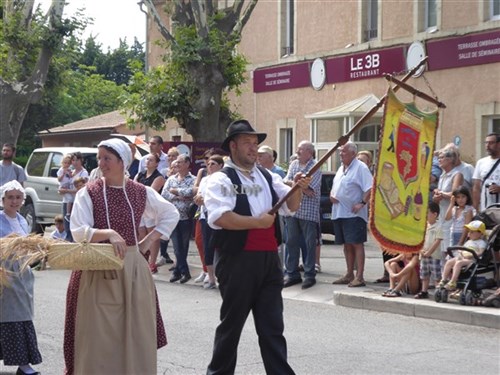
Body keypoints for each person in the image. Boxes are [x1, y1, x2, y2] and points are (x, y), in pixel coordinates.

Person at [63, 138, 179, 374]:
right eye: (99, 158)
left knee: (135, 331)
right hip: (96, 268)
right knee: (98, 335)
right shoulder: (90, 192)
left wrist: (147, 241)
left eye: (107, 158)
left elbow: (170, 213)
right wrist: (108, 233)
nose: (101, 163)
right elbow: (77, 230)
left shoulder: (139, 192)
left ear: (122, 162)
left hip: (132, 271)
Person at [204, 119, 308, 375]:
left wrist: (299, 188)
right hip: (237, 260)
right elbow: (220, 218)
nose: (253, 148)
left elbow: (291, 206)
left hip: (269, 260)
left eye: (255, 143)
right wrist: (257, 222)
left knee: (273, 326)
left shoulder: (267, 176)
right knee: (231, 327)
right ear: (233, 146)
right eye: (247, 143)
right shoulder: (219, 179)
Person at [0, 180, 42, 375]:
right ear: (3, 199)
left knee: (22, 315)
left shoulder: (23, 220)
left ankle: (24, 364)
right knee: (8, 315)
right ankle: (23, 364)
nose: (14, 201)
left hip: (22, 273)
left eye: (18, 197)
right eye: (10, 197)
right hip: (4, 274)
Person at [331, 141, 373, 287]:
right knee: (347, 244)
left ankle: (359, 276)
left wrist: (361, 202)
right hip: (339, 212)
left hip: (354, 214)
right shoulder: (341, 168)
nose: (341, 154)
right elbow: (336, 186)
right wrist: (332, 194)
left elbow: (370, 188)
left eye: (344, 152)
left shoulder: (361, 168)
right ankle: (349, 274)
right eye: (340, 151)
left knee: (356, 244)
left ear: (353, 154)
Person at [283, 140, 321, 289]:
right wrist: (299, 185)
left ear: (309, 153)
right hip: (292, 210)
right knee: (291, 242)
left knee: (309, 244)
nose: (297, 152)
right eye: (297, 150)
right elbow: (286, 181)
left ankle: (309, 274)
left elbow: (312, 188)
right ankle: (291, 273)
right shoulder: (294, 165)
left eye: (301, 150)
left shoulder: (316, 166)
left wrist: (298, 185)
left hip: (308, 212)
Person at [161, 154, 195, 283]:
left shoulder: (193, 179)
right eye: (176, 163)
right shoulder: (171, 179)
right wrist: (178, 196)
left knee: (184, 246)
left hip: (186, 217)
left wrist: (176, 191)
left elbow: (192, 192)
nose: (177, 164)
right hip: (173, 217)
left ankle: (177, 272)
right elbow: (164, 194)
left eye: (180, 162)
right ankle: (184, 272)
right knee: (176, 246)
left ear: (187, 164)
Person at [194, 154, 225, 289]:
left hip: (220, 216)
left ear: (220, 166)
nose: (210, 166)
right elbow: (199, 195)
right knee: (208, 247)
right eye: (208, 164)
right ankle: (211, 277)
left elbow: (222, 198)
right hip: (205, 215)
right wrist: (199, 199)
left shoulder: (224, 180)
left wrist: (205, 199)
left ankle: (221, 276)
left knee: (221, 246)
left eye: (213, 164)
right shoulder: (205, 180)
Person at [135, 153, 166, 273]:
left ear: (157, 163)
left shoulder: (159, 177)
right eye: (147, 159)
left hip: (151, 208)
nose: (148, 161)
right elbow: (133, 187)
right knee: (141, 233)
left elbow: (150, 192)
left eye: (151, 160)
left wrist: (138, 192)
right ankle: (143, 259)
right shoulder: (140, 174)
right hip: (139, 207)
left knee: (152, 234)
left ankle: (152, 262)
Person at [433, 148, 464, 267]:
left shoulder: (457, 174)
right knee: (441, 245)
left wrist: (441, 194)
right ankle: (443, 274)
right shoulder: (442, 175)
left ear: (450, 159)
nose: (439, 160)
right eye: (438, 158)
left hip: (452, 215)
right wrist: (437, 194)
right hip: (442, 214)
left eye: (442, 158)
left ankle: (450, 274)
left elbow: (455, 193)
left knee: (448, 245)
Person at [438, 220, 487, 291]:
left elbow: (481, 252)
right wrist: (460, 251)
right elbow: (463, 249)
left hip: (471, 260)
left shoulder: (481, 242)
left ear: (480, 234)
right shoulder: (468, 242)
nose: (469, 234)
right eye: (469, 232)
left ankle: (453, 282)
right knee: (449, 262)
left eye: (472, 232)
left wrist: (471, 255)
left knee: (458, 263)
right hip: (462, 257)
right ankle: (443, 279)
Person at [156, 147, 180, 267]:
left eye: (173, 156)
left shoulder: (180, 172)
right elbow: (164, 191)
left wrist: (177, 193)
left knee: (176, 237)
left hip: (178, 208)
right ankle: (163, 255)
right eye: (169, 156)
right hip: (164, 203)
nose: (170, 158)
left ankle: (178, 260)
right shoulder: (164, 171)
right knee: (164, 232)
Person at [414, 202, 443, 299]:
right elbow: (420, 239)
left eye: (427, 213)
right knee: (424, 274)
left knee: (436, 274)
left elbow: (437, 241)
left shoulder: (438, 226)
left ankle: (438, 291)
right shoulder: (424, 226)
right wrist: (421, 250)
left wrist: (429, 252)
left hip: (434, 255)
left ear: (435, 214)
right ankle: (424, 291)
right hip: (423, 254)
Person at [58, 152, 89, 242]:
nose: (75, 162)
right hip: (66, 201)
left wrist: (67, 191)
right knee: (66, 226)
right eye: (73, 160)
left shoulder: (84, 173)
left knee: (74, 227)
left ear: (81, 160)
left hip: (77, 202)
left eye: (77, 160)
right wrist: (62, 190)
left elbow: (82, 189)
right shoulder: (71, 172)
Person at [472, 133, 500, 212]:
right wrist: (475, 208)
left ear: (498, 144)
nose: (487, 145)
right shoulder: (481, 162)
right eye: (486, 143)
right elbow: (476, 187)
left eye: (491, 143)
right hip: (486, 209)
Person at [57, 154, 74, 221]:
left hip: (68, 186)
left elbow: (71, 178)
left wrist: (70, 174)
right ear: (62, 163)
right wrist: (63, 174)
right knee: (69, 199)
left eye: (68, 163)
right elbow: (59, 179)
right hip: (63, 187)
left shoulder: (69, 170)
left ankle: (67, 213)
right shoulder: (61, 170)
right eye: (65, 163)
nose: (66, 164)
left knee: (69, 199)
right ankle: (68, 214)